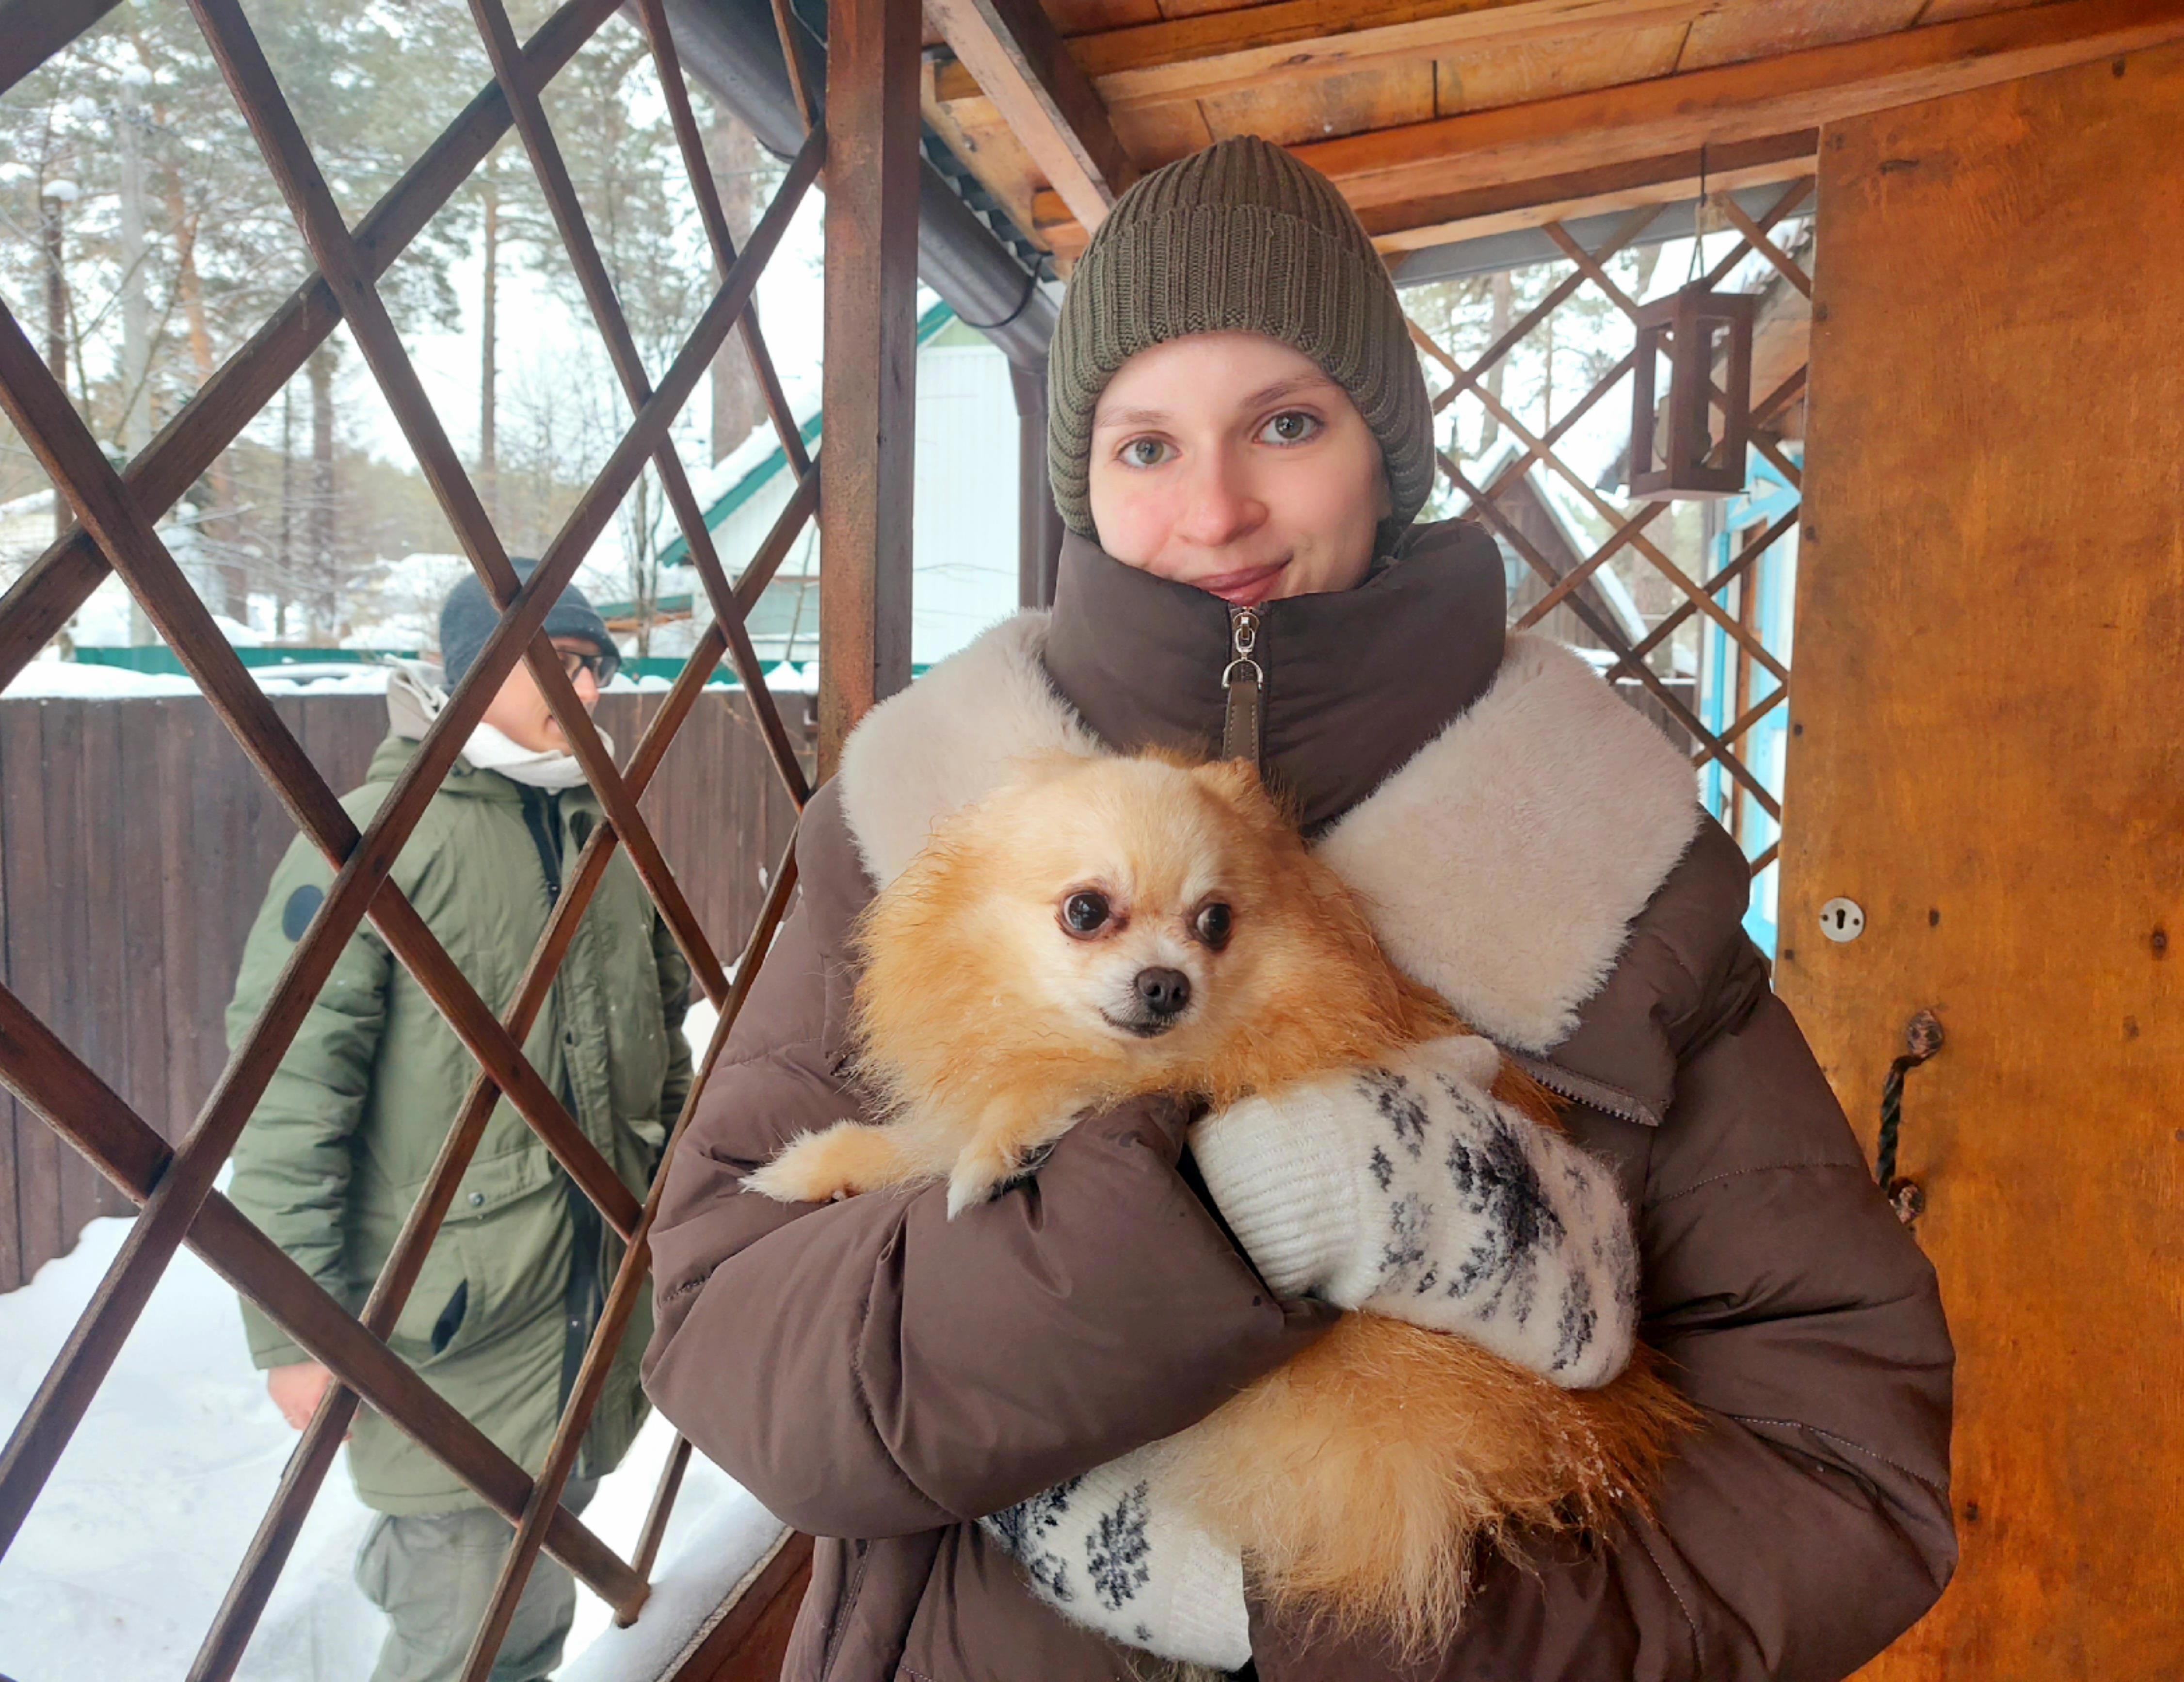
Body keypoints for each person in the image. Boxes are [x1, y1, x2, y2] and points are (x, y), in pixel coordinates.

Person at [643, 136, 1954, 1681]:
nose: (1216, 511)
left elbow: (1844, 1473)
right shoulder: (916, 824)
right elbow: (730, 1337)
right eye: (1146, 444)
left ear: (1386, 451)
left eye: (1285, 423)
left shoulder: (1617, 872)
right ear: (1082, 480)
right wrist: (1208, 1226)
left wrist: (1339, 1618)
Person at [227, 563, 692, 1682]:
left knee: (527, 1616)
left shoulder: (602, 833)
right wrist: (294, 1330)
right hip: (447, 1337)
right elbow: (288, 1095)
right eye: (560, 664)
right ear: (470, 667)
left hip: (591, 1316)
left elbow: (666, 1042)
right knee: (468, 1640)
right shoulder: (382, 839)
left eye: (596, 667)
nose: (588, 690)